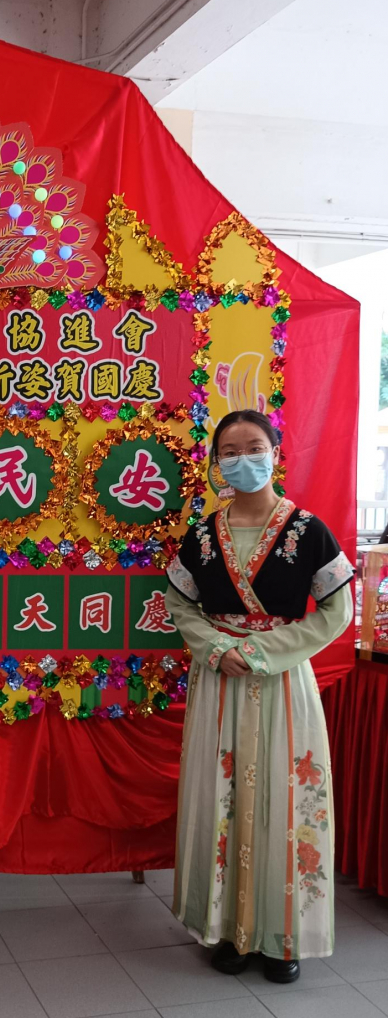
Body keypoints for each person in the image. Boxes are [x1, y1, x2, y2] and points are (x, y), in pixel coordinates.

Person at [165, 409, 354, 983]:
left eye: (254, 447)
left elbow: (337, 611)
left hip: (281, 680)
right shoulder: (202, 536)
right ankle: (228, 931)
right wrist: (216, 648)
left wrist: (260, 651)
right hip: (219, 680)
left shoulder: (309, 531)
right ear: (215, 462)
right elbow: (180, 605)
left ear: (275, 453)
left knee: (285, 800)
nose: (242, 459)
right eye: (229, 451)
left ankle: (281, 935)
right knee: (218, 798)